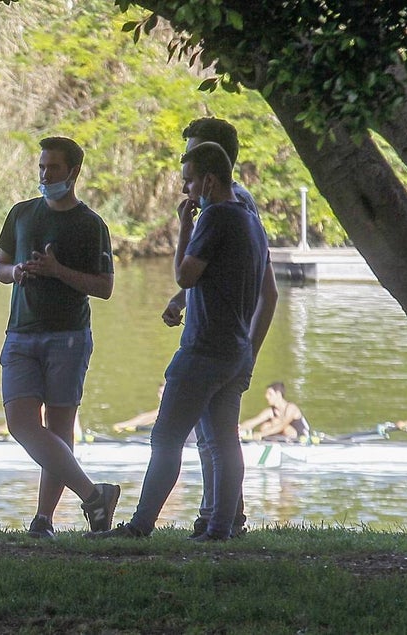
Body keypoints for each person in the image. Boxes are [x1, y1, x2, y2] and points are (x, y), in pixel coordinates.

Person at [100, 141, 276, 542]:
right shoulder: (250, 221)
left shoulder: (214, 218)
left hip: (203, 350)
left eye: (189, 182)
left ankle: (140, 526)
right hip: (235, 349)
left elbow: (185, 275)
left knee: (166, 438)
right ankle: (219, 529)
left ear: (209, 181)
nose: (185, 191)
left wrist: (184, 227)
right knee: (223, 443)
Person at [0, 136, 121, 539]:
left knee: (60, 426)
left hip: (68, 336)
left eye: (53, 168)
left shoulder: (90, 224)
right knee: (20, 423)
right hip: (21, 334)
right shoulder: (21, 214)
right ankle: (93, 494)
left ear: (73, 172)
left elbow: (104, 287)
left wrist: (57, 270)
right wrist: (16, 272)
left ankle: (43, 519)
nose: (45, 175)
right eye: (42, 166)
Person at [161, 117, 266, 539]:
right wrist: (181, 299)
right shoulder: (226, 210)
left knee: (206, 439)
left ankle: (222, 520)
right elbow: (211, 273)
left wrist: (248, 352)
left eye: (189, 168)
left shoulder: (229, 210)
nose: (183, 181)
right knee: (215, 437)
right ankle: (215, 520)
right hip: (225, 344)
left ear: (211, 168)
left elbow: (264, 288)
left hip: (218, 346)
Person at [239, 382, 310, 441]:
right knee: (265, 426)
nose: (266, 396)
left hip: (301, 439)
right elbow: (255, 421)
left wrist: (261, 434)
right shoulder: (270, 411)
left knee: (276, 422)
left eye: (270, 394)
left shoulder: (291, 407)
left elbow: (282, 426)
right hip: (285, 439)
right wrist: (238, 428)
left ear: (278, 394)